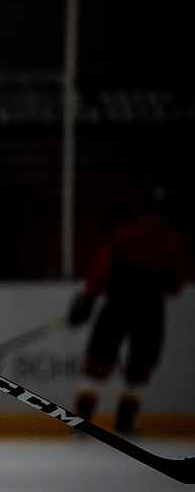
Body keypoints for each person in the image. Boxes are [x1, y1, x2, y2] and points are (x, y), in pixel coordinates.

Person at [68, 186, 190, 435]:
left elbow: (103, 269)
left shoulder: (124, 234)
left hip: (119, 304)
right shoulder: (173, 241)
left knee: (100, 362)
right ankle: (122, 422)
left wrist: (88, 298)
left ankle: (83, 420)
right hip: (149, 309)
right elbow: (176, 285)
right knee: (138, 367)